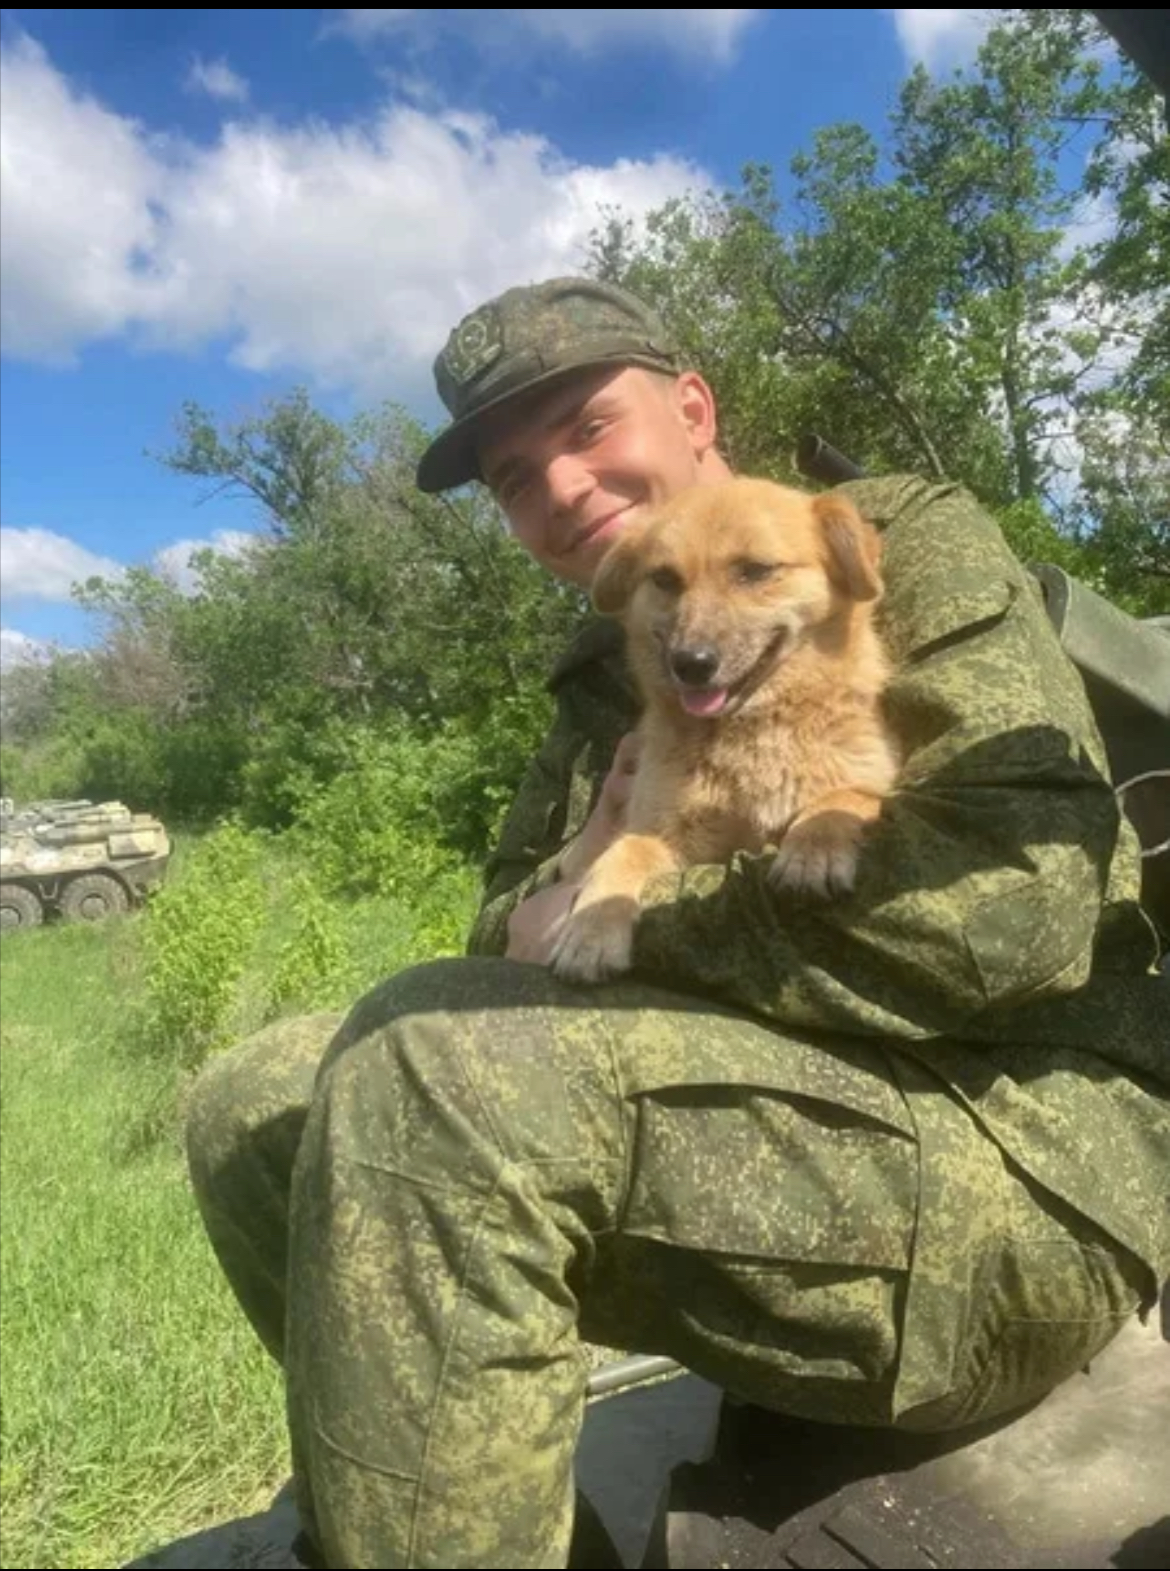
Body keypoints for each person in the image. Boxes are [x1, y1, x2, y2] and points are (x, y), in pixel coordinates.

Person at [185, 277, 1170, 1570]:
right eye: (515, 477)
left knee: (437, 1079)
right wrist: (595, 869)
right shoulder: (611, 677)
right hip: (779, 1137)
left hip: (1016, 1166)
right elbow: (501, 927)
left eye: (589, 426)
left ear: (692, 406)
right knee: (256, 1100)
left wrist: (626, 916)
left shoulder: (880, 542)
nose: (562, 488)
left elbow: (1009, 910)